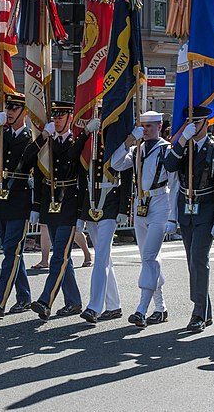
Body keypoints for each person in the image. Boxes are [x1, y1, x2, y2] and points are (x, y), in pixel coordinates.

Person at [164, 109, 214, 333]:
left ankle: (198, 312)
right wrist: (181, 140)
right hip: (186, 209)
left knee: (199, 258)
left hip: (206, 209)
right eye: (189, 121)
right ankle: (205, 309)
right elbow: (169, 165)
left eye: (196, 122)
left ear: (206, 124)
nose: (192, 125)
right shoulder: (184, 147)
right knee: (192, 261)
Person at [30, 101, 94, 320]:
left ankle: (45, 300)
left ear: (69, 118)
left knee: (59, 256)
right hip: (50, 204)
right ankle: (74, 302)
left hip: (68, 206)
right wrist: (37, 207)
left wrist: (81, 215)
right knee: (63, 257)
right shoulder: (46, 142)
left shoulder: (76, 143)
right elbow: (32, 166)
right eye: (54, 117)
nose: (56, 120)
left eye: (60, 117)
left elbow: (80, 177)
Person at [111, 111, 175, 329]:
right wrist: (130, 139)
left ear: (159, 126)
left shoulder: (166, 150)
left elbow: (174, 182)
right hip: (141, 205)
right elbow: (116, 163)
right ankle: (160, 308)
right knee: (148, 258)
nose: (146, 129)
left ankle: (141, 309)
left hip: (159, 203)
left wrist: (173, 216)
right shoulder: (136, 149)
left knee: (149, 256)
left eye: (149, 126)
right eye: (143, 126)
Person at [0, 93, 39, 316]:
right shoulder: (0, 135)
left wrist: (36, 205)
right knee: (12, 252)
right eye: (8, 108)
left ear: (25, 112)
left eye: (15, 108)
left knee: (11, 253)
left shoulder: (30, 137)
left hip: (20, 200)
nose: (11, 111)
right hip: (1, 200)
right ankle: (24, 297)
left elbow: (38, 171)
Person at [78, 127, 130, 325]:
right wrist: (80, 214)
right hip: (91, 202)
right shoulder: (89, 141)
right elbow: (83, 180)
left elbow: (126, 177)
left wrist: (123, 209)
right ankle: (114, 305)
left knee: (100, 256)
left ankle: (94, 306)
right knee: (104, 257)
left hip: (110, 203)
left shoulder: (115, 139)